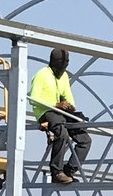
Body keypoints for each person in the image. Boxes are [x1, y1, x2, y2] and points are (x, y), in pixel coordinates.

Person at [28, 45, 90, 182]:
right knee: (62, 133)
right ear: (53, 64)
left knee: (85, 139)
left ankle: (69, 171)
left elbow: (68, 97)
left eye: (65, 67)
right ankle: (56, 172)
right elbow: (33, 99)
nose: (63, 70)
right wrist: (56, 105)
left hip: (60, 113)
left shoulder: (64, 76)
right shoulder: (42, 74)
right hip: (46, 111)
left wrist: (70, 107)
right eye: (60, 67)